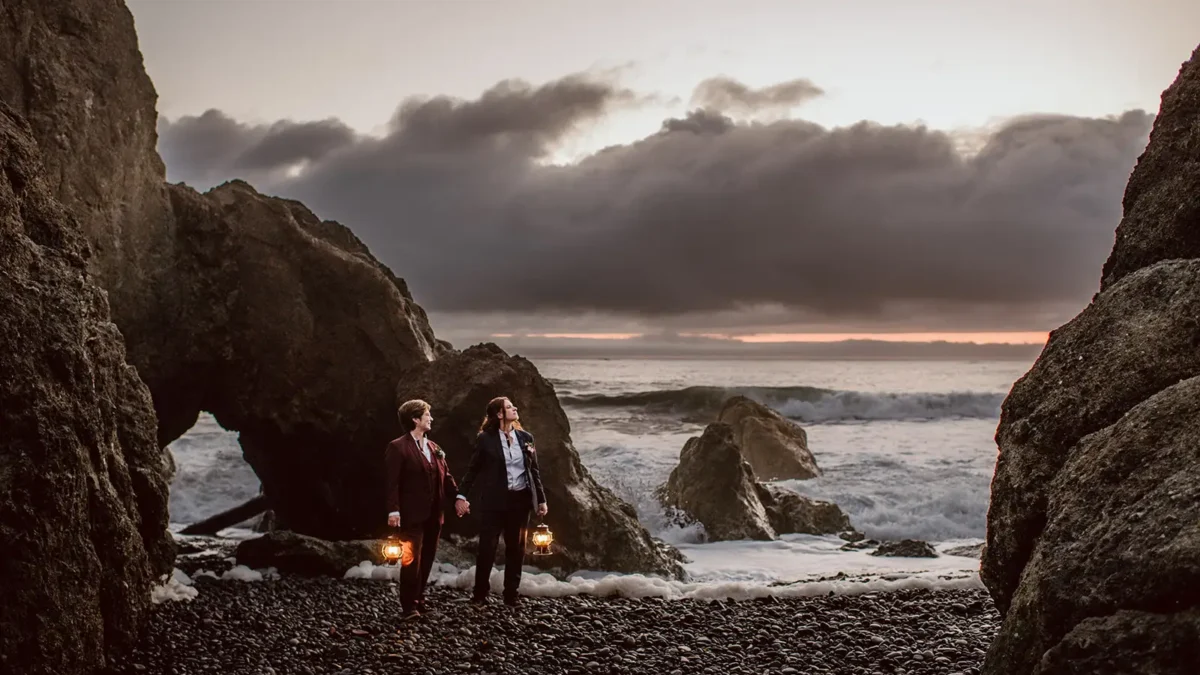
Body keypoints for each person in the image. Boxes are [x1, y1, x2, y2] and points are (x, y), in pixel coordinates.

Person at [455, 396, 548, 606]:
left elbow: (534, 471)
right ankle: (480, 595)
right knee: (487, 547)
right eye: (509, 407)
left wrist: (541, 500)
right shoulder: (485, 439)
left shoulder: (526, 438)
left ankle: (511, 595)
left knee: (516, 548)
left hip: (520, 501)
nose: (514, 408)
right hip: (494, 502)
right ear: (499, 414)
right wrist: (461, 495)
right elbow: (473, 469)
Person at [385, 399, 458, 621]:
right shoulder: (397, 447)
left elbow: (446, 476)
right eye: (427, 415)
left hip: (435, 514)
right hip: (411, 514)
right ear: (415, 419)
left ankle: (420, 599)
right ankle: (408, 606)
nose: (431, 418)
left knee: (427, 557)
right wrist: (393, 510)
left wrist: (459, 497)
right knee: (410, 559)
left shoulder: (434, 448)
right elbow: (391, 482)